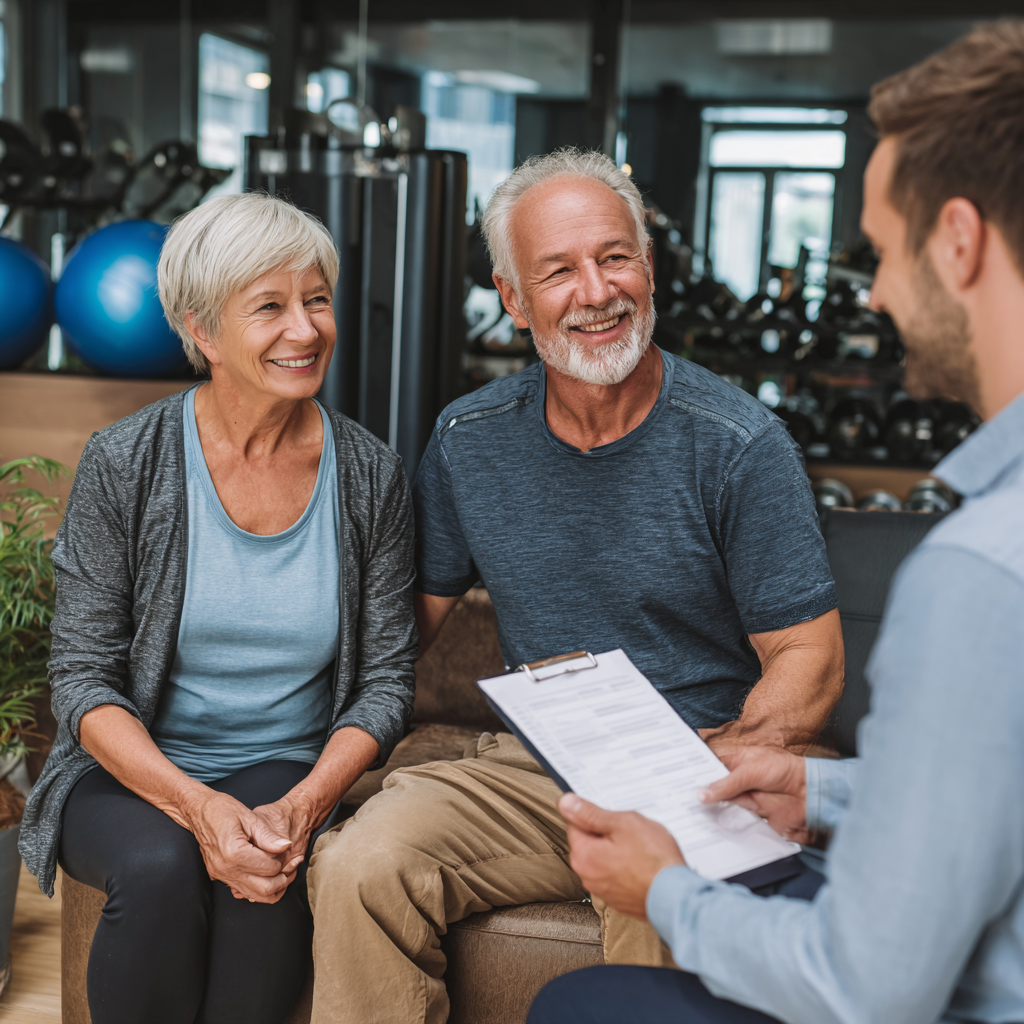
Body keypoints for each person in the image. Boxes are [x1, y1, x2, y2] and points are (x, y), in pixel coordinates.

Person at [528, 20, 1024, 1024]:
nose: (876, 291)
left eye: (883, 251)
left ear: (959, 241)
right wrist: (819, 789)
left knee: (580, 1008)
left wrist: (663, 885)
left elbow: (867, 990)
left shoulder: (977, 570)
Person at [307, 149, 845, 1023]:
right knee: (359, 866)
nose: (596, 292)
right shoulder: (472, 437)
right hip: (537, 767)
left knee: (655, 919)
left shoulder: (740, 444)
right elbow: (404, 631)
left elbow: (810, 659)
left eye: (614, 257)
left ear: (650, 268)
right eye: (557, 271)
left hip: (692, 768)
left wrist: (721, 764)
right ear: (514, 301)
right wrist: (299, 745)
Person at [18, 193, 418, 1024]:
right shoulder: (125, 462)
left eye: (316, 299)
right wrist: (196, 808)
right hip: (128, 769)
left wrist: (304, 807)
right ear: (202, 332)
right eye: (269, 307)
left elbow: (385, 682)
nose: (306, 330)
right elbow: (83, 681)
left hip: (283, 765)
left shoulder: (371, 476)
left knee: (266, 875)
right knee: (161, 865)